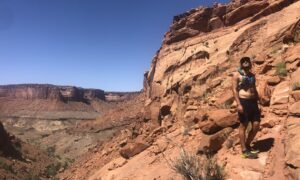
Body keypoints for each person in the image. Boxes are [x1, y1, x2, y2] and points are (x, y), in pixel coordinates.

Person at [232, 56, 260, 159]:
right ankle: (244, 150)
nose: (245, 62)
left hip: (253, 102)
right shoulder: (236, 75)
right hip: (243, 102)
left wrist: (258, 99)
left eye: (247, 60)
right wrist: (239, 104)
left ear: (250, 63)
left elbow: (254, 88)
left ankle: (248, 144)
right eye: (243, 61)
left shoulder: (252, 75)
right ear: (241, 64)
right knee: (243, 125)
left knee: (256, 125)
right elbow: (234, 90)